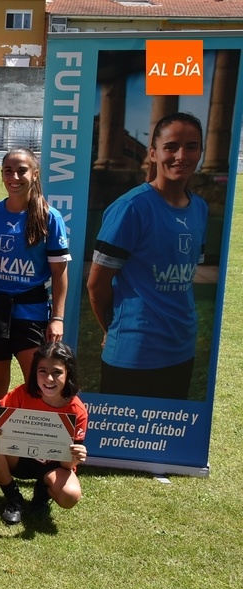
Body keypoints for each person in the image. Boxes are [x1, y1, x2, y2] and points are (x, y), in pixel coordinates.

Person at [87, 113, 208, 400]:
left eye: (191, 146)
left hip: (182, 349)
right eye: (171, 147)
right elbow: (96, 286)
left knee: (168, 441)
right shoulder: (131, 207)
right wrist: (113, 329)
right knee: (120, 443)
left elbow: (185, 277)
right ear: (153, 153)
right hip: (135, 353)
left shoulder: (200, 208)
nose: (181, 155)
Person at [0, 148, 70, 412]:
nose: (14, 177)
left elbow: (60, 274)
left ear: (35, 174)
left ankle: (33, 450)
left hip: (32, 312)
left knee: (37, 385)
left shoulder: (50, 217)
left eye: (22, 170)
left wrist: (57, 318)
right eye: (8, 171)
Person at [0, 342, 87, 525]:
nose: (49, 379)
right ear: (35, 371)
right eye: (42, 371)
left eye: (57, 372)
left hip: (53, 464)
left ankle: (43, 491)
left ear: (69, 373)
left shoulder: (77, 410)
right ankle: (13, 497)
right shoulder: (22, 393)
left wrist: (76, 457)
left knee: (70, 496)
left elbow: (67, 463)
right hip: (19, 456)